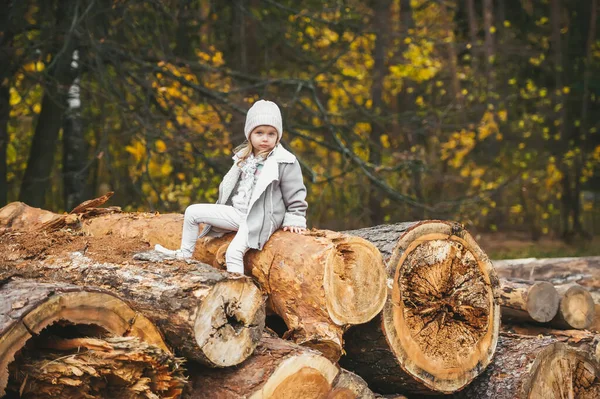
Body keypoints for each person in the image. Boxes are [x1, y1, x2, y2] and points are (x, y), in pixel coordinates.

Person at [155, 99, 308, 274]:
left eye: (271, 134)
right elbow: (233, 188)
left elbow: (295, 192)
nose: (265, 138)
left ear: (278, 136)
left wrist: (295, 217)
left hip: (260, 218)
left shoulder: (284, 161)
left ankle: (238, 293)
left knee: (233, 253)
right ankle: (185, 254)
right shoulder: (244, 158)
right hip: (238, 212)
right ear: (249, 134)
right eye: (259, 132)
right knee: (192, 212)